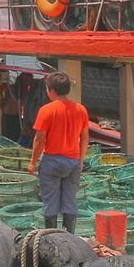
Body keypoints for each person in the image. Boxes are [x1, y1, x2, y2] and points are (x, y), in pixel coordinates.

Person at [28, 71, 90, 233]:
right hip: (73, 162)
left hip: (52, 161)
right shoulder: (81, 109)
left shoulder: (46, 110)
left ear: (51, 90)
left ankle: (52, 237)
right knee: (70, 202)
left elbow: (39, 140)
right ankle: (69, 238)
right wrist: (81, 160)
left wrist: (33, 163)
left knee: (50, 202)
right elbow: (84, 138)